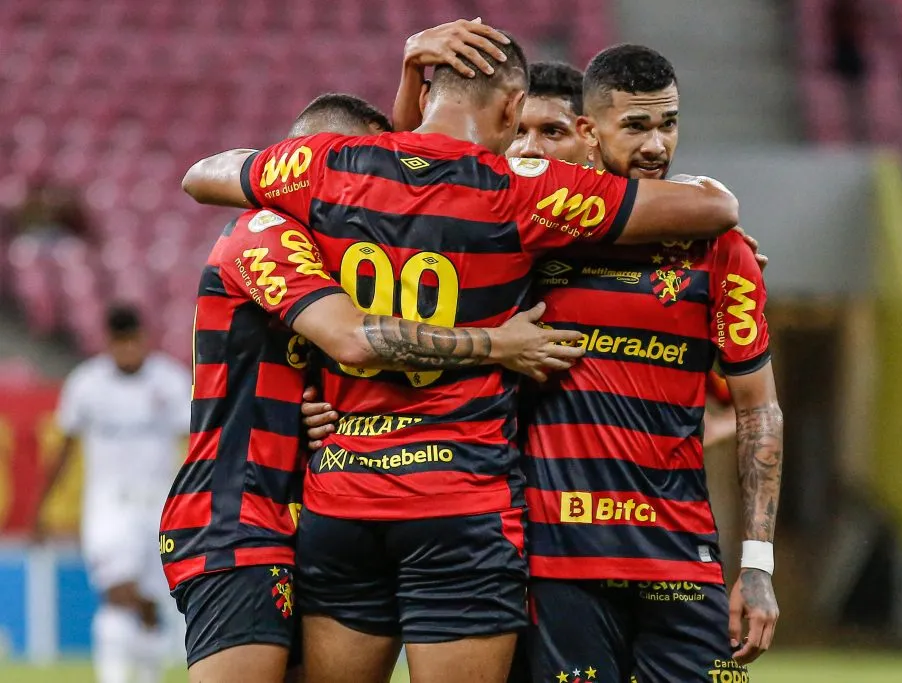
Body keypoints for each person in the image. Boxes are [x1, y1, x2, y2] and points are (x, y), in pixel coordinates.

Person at [181, 24, 740, 683]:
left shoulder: (324, 166)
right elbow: (713, 207)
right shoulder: (519, 191)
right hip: (461, 505)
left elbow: (202, 174)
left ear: (425, 92)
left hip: (343, 498)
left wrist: (404, 77)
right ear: (511, 109)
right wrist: (499, 344)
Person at [163, 91, 584, 683]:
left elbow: (420, 188)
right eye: (368, 160)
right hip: (237, 515)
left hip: (298, 508)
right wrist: (498, 344)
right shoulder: (262, 231)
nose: (379, 177)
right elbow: (353, 339)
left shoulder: (335, 250)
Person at [38, 304, 190, 683]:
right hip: (108, 504)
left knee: (151, 604)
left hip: (159, 504)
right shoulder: (86, 383)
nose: (127, 351)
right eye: (119, 343)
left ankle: (149, 674)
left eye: (132, 342)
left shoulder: (170, 381)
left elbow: (194, 443)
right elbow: (66, 447)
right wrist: (42, 507)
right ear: (108, 342)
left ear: (143, 338)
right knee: (117, 590)